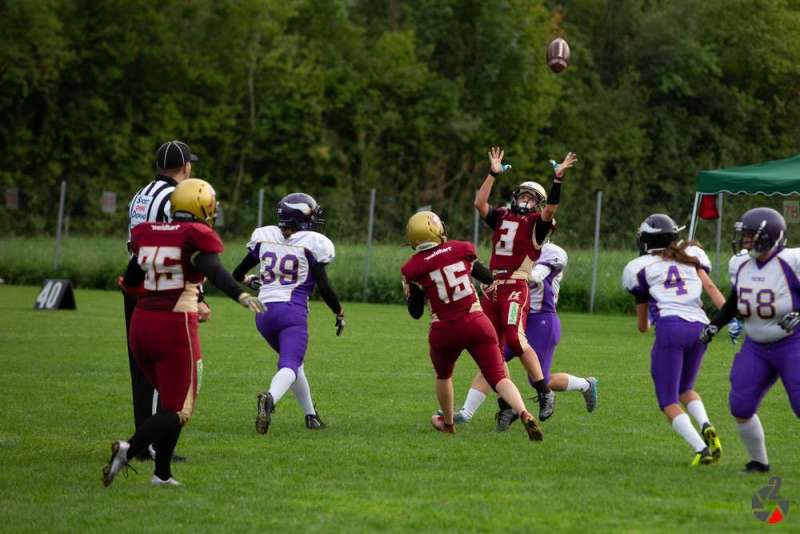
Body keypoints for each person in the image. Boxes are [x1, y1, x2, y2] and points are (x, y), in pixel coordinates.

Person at [103, 179, 265, 487]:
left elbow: (131, 279)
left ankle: (162, 474)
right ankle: (129, 448)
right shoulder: (195, 236)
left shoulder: (148, 233)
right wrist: (240, 295)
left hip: (141, 324)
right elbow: (215, 270)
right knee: (180, 408)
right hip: (174, 326)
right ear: (204, 207)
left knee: (169, 401)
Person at [400, 211, 543, 440]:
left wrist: (412, 292)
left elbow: (415, 312)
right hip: (476, 321)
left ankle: (448, 424)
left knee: (444, 376)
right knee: (499, 377)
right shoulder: (460, 249)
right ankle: (524, 412)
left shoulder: (412, 268)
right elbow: (487, 277)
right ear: (438, 230)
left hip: (444, 329)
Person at [471, 146, 577, 421]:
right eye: (525, 196)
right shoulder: (503, 217)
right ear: (516, 196)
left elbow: (551, 208)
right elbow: (480, 204)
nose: (527, 202)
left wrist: (558, 180)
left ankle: (544, 391)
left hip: (516, 287)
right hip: (494, 287)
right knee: (490, 346)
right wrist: (492, 174)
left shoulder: (537, 224)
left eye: (533, 199)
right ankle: (503, 406)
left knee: (515, 339)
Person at [123, 140, 210, 461]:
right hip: (163, 285)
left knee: (141, 367)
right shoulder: (177, 197)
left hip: (135, 280)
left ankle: (143, 441)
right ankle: (157, 443)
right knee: (170, 363)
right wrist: (198, 295)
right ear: (185, 166)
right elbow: (182, 246)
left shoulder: (140, 194)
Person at [232, 193, 343, 435]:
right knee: (290, 364)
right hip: (291, 311)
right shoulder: (312, 243)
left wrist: (252, 281)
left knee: (295, 364)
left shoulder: (264, 238)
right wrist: (339, 311)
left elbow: (237, 274)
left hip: (262, 313)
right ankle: (269, 398)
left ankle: (311, 416)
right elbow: (324, 287)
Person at [454, 241, 599, 428]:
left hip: (541, 320)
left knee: (541, 380)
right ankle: (467, 413)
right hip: (516, 314)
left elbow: (537, 276)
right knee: (493, 361)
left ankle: (585, 385)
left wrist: (507, 275)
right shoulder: (511, 249)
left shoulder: (553, 252)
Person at [700, 207, 800, 473]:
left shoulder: (793, 260)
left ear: (770, 236)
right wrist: (715, 324)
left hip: (792, 342)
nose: (744, 242)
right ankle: (759, 462)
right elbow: (735, 300)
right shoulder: (741, 264)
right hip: (755, 345)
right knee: (740, 405)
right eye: (743, 237)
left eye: (749, 237)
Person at [622, 214, 726, 467]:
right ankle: (706, 425)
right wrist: (729, 318)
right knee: (685, 389)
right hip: (701, 327)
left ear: (646, 241)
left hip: (671, 327)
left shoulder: (640, 267)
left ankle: (701, 448)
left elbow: (642, 326)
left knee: (668, 400)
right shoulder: (690, 258)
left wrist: (649, 322)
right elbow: (711, 289)